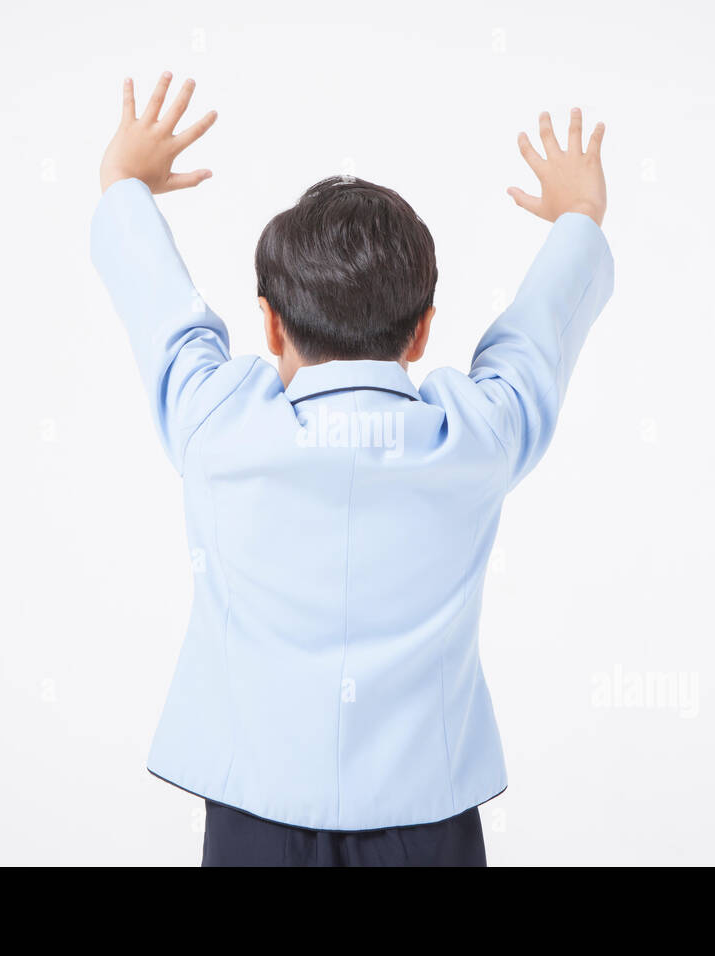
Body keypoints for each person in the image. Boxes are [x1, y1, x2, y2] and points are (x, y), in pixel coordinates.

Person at [91, 71, 614, 866]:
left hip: (254, 817)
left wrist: (124, 186)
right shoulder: (472, 439)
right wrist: (578, 218)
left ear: (268, 324)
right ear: (424, 332)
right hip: (426, 820)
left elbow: (164, 317)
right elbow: (535, 344)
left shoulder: (217, 427)